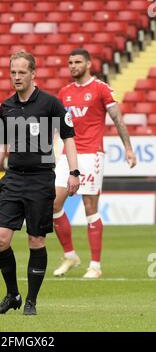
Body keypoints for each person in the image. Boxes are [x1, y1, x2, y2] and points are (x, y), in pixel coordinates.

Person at [0, 51, 80, 315]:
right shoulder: (6, 106)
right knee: (0, 238)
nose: (16, 77)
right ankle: (12, 294)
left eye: (22, 72)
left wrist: (74, 171)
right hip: (13, 178)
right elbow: (1, 146)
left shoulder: (51, 104)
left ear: (33, 73)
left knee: (36, 241)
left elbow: (69, 137)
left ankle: (31, 301)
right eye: (13, 72)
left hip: (40, 179)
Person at [52, 48, 137, 279]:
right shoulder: (64, 93)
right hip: (67, 156)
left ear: (88, 64)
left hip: (91, 155)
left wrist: (128, 148)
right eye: (70, 62)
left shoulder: (101, 89)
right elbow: (56, 126)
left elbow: (117, 118)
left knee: (90, 209)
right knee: (53, 205)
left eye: (77, 62)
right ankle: (70, 255)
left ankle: (95, 265)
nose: (73, 66)